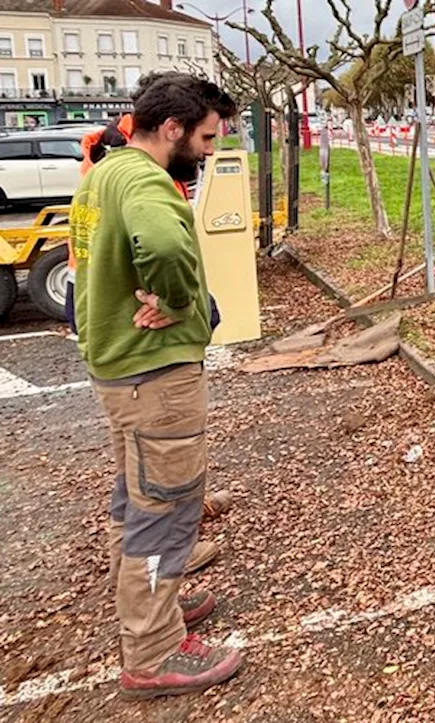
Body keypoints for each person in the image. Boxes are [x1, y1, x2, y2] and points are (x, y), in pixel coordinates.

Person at [69, 72, 243, 698]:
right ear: (171, 129)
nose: (209, 149)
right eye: (203, 136)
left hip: (120, 368)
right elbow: (166, 246)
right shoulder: (144, 181)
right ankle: (153, 650)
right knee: (165, 506)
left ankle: (155, 613)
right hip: (155, 374)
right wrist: (175, 299)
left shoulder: (106, 173)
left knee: (135, 498)